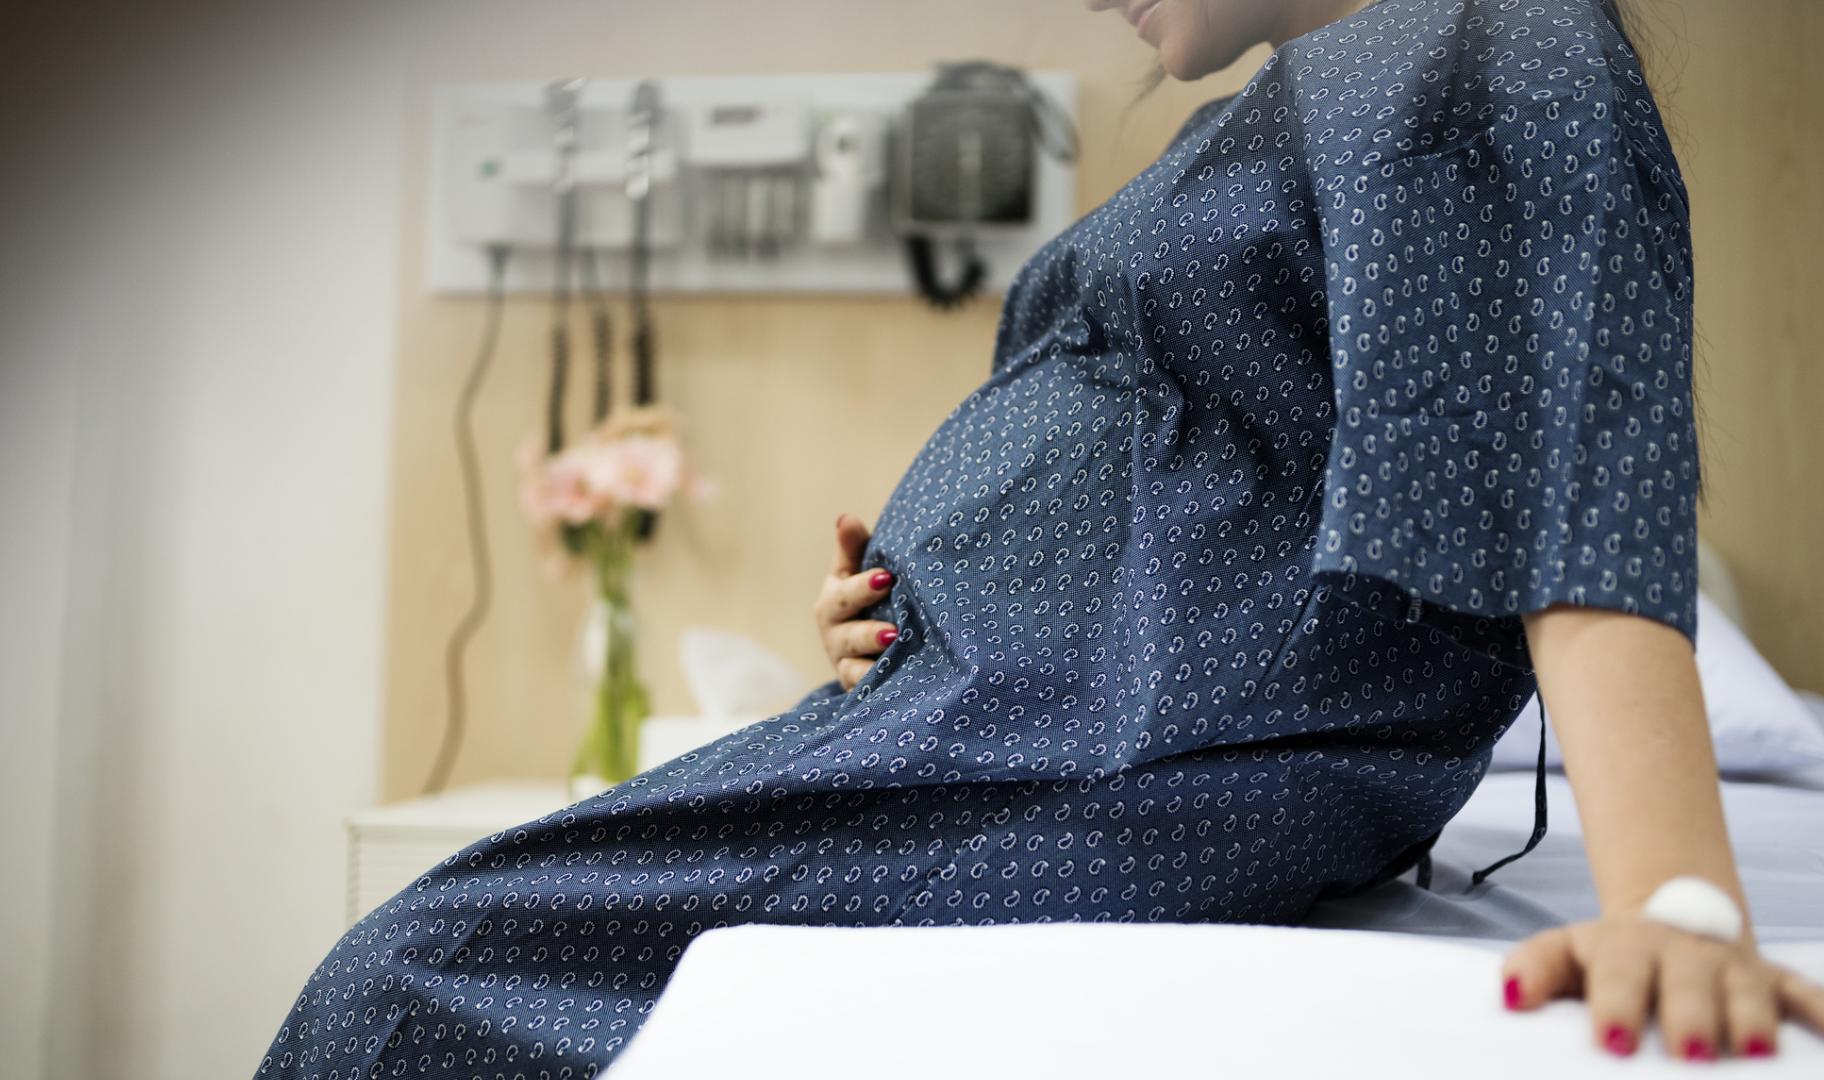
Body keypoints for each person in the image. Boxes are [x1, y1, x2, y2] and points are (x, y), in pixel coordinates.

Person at [258, 1, 1824, 1075]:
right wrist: (920, 591)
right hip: (1012, 717)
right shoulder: (1337, 88)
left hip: (1086, 746)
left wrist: (1677, 902)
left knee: (405, 987)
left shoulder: (1478, 40)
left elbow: (1561, 451)